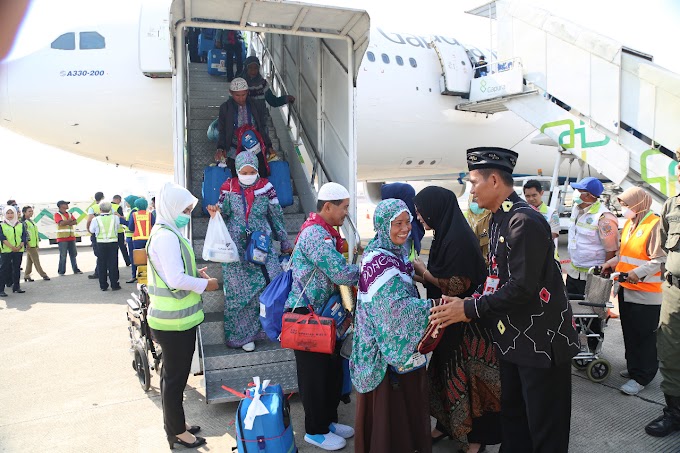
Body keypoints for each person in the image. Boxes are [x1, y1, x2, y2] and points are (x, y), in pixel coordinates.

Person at [429, 147, 580, 453]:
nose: (471, 189)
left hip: (541, 345)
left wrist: (468, 309)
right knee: (514, 421)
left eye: (474, 182)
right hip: (512, 341)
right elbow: (496, 279)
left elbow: (522, 288)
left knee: (543, 430)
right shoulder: (499, 218)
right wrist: (463, 301)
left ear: (494, 180)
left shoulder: (523, 222)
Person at [413, 187, 501, 452]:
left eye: (421, 212)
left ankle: (476, 441)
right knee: (443, 373)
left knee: (470, 382)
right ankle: (445, 426)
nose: (418, 218)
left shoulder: (459, 239)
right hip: (448, 320)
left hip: (466, 326)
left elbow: (456, 284)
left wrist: (424, 274)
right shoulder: (445, 234)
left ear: (436, 210)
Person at [351, 199, 432, 453]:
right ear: (383, 226)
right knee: (390, 414)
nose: (405, 228)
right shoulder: (381, 262)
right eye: (397, 223)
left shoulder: (388, 251)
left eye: (407, 222)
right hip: (384, 358)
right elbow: (394, 313)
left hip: (381, 347)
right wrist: (435, 306)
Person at [285, 182, 359, 451]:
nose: (346, 214)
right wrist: (370, 272)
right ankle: (314, 430)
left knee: (330, 372)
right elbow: (339, 273)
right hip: (307, 317)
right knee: (314, 376)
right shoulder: (314, 235)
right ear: (327, 207)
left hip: (324, 315)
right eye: (344, 208)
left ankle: (327, 421)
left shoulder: (326, 232)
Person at [147, 181, 219, 450]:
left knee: (173, 377)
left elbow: (173, 273)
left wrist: (195, 276)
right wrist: (206, 285)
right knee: (175, 379)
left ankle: (176, 423)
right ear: (172, 207)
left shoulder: (168, 231)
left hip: (174, 320)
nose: (187, 213)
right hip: (173, 322)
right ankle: (176, 431)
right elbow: (176, 279)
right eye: (186, 209)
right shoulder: (166, 236)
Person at [207, 152, 292, 351]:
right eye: (243, 172)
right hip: (235, 248)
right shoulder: (228, 187)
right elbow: (223, 210)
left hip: (261, 244)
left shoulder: (266, 188)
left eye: (251, 171)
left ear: (257, 170)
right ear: (237, 171)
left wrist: (285, 242)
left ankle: (266, 329)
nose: (247, 175)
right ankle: (242, 337)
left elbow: (276, 216)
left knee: (269, 283)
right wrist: (215, 212)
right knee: (239, 293)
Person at [599, 187, 665, 396]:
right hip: (626, 288)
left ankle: (643, 376)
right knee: (630, 332)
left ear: (639, 203)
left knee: (644, 336)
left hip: (647, 293)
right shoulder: (629, 223)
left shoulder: (655, 224)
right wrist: (611, 262)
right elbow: (625, 254)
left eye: (626, 204)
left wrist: (637, 273)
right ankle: (635, 367)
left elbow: (659, 260)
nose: (623, 208)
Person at [647, 151, 680, 436]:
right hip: (674, 291)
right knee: (669, 352)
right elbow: (666, 249)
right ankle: (674, 413)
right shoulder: (671, 205)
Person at [567, 176, 619, 350]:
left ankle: (593, 349)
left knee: (593, 317)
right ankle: (576, 347)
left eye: (579, 190)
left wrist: (603, 276)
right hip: (574, 272)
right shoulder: (576, 209)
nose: (575, 193)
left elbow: (611, 249)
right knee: (573, 313)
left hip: (593, 276)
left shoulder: (604, 217)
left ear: (588, 195)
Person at [215, 77, 273, 178]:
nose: (241, 98)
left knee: (259, 174)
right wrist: (221, 147)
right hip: (234, 148)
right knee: (236, 175)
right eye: (237, 95)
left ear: (247, 92)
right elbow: (222, 130)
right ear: (231, 93)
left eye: (244, 95)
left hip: (255, 146)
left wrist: (268, 146)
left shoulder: (256, 105)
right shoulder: (225, 108)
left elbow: (262, 127)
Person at [240, 55, 295, 121]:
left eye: (255, 68)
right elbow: (233, 102)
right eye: (250, 68)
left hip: (260, 120)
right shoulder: (239, 83)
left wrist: (286, 99)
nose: (253, 71)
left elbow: (273, 101)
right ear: (246, 68)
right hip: (243, 119)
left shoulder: (262, 84)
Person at [380, 182, 425, 261]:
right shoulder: (413, 226)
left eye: (407, 222)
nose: (405, 229)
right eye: (399, 223)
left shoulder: (388, 233)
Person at [88, 202, 121, 291]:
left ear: (100, 209)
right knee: (113, 264)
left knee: (101, 264)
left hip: (101, 243)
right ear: (110, 209)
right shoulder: (115, 218)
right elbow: (117, 228)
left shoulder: (96, 219)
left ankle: (103, 285)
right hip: (113, 242)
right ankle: (114, 284)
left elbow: (92, 230)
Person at [0, 206, 27, 297]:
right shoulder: (2, 225)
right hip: (6, 251)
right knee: (4, 270)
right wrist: (12, 247)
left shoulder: (20, 224)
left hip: (18, 250)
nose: (10, 215)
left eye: (12, 213)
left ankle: (16, 287)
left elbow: (24, 237)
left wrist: (19, 246)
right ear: (4, 214)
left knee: (17, 269)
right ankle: (1, 290)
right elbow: (2, 238)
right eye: (8, 213)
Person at [127, 198, 154, 282]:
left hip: (137, 240)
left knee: (137, 258)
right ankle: (150, 276)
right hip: (149, 239)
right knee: (150, 258)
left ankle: (134, 276)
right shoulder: (150, 215)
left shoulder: (134, 215)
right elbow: (154, 225)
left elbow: (131, 227)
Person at [54, 200, 82, 276]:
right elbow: (61, 223)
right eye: (65, 204)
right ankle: (61, 271)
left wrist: (67, 222)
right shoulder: (57, 214)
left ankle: (75, 269)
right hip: (62, 238)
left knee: (73, 254)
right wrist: (69, 221)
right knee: (63, 255)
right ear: (61, 206)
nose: (67, 205)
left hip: (71, 237)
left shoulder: (69, 214)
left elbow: (75, 221)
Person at [21, 206, 50, 282]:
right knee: (36, 261)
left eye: (31, 211)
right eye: (29, 211)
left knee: (29, 261)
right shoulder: (24, 223)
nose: (31, 212)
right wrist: (27, 243)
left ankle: (27, 275)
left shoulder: (31, 221)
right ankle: (43, 275)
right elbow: (25, 234)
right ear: (24, 213)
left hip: (34, 244)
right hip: (30, 245)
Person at [466, 193, 492, 265]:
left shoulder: (491, 220)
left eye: (478, 199)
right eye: (474, 200)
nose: (476, 203)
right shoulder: (466, 219)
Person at [86, 191, 105, 280]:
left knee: (99, 254)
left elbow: (89, 220)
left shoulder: (92, 208)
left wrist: (89, 230)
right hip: (108, 234)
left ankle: (99, 272)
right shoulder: (108, 206)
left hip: (97, 234)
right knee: (106, 255)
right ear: (103, 197)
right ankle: (102, 271)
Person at [123, 195, 140, 283]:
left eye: (127, 201)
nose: (126, 203)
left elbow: (130, 226)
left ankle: (134, 276)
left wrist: (120, 219)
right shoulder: (135, 210)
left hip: (132, 237)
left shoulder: (134, 211)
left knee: (134, 257)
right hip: (135, 237)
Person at [111, 194, 131, 267]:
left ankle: (114, 264)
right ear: (118, 200)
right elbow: (121, 218)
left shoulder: (107, 206)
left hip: (111, 231)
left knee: (113, 249)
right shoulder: (118, 207)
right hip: (119, 230)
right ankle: (127, 261)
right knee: (122, 247)